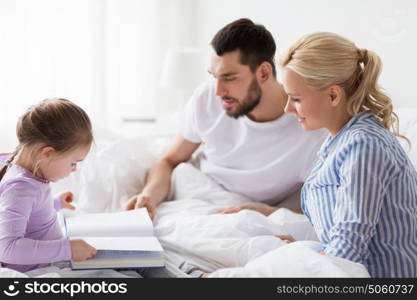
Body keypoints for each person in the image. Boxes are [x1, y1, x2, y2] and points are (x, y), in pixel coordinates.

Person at [125, 18, 327, 219]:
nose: (218, 91)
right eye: (214, 76)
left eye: (229, 77)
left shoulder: (311, 128)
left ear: (264, 73)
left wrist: (268, 213)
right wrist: (149, 196)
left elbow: (326, 210)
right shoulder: (206, 98)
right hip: (195, 194)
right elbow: (168, 162)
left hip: (248, 214)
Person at [279, 32, 417, 277]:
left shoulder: (363, 145)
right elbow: (341, 232)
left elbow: (348, 246)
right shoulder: (339, 141)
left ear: (333, 95)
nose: (287, 109)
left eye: (296, 99)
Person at [0, 98, 97, 273]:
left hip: (48, 262)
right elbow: (7, 249)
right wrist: (68, 249)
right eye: (74, 163)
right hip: (37, 271)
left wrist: (54, 204)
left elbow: (25, 213)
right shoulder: (21, 188)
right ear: (47, 153)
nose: (74, 170)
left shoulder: (27, 176)